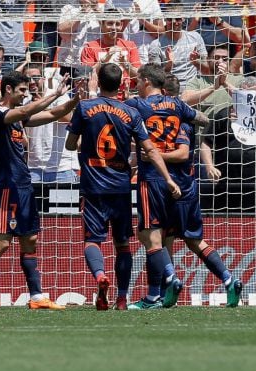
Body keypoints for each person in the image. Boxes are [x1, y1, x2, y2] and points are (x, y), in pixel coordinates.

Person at [0, 71, 82, 311]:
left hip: (24, 184)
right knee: (2, 241)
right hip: (8, 184)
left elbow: (53, 114)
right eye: (22, 90)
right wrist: (54, 93)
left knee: (30, 240)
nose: (25, 94)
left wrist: (75, 99)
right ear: (8, 89)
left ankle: (37, 297)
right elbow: (28, 111)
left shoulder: (16, 119)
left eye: (27, 90)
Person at [65, 63, 181, 311]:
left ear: (98, 80)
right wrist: (169, 179)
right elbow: (148, 148)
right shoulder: (131, 113)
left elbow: (69, 145)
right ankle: (121, 298)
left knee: (92, 241)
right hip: (120, 186)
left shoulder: (84, 108)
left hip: (93, 185)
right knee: (122, 244)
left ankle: (99, 276)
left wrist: (86, 140)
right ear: (121, 85)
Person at [124, 63, 207, 309]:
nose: (136, 84)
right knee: (167, 237)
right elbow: (203, 119)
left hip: (151, 177)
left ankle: (166, 282)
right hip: (178, 182)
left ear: (147, 81)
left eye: (138, 80)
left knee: (150, 235)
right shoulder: (178, 105)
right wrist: (186, 124)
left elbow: (113, 109)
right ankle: (159, 291)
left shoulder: (137, 105)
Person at [157, 73, 243, 308]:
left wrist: (153, 155)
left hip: (171, 186)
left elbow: (183, 153)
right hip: (188, 186)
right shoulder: (185, 114)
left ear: (163, 94)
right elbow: (202, 118)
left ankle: (168, 285)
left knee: (160, 238)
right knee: (194, 241)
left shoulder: (173, 119)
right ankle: (228, 279)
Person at [24, 66, 79, 183]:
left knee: (65, 202)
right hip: (34, 168)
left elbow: (68, 118)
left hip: (62, 168)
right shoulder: (24, 100)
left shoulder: (57, 94)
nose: (32, 82)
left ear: (43, 78)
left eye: (35, 77)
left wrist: (43, 106)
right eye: (28, 79)